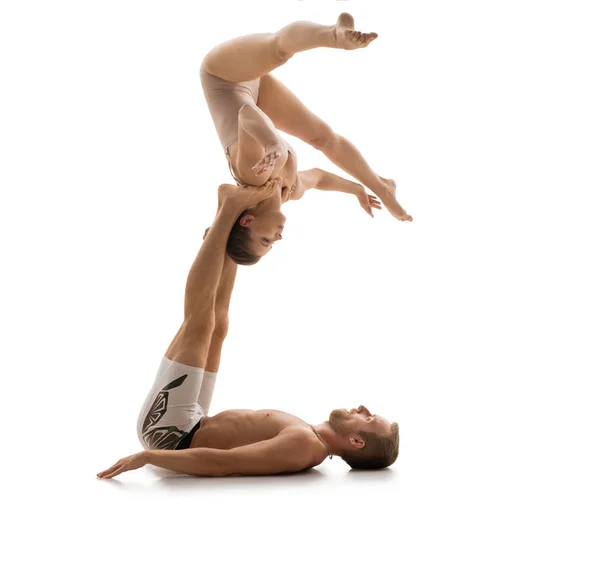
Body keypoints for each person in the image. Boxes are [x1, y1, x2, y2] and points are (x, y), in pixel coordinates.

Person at [97, 180, 399, 479]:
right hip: (193, 422)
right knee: (218, 325)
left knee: (200, 323)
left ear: (356, 442)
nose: (362, 407)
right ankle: (226, 217)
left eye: (368, 417)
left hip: (171, 434)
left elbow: (224, 463)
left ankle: (229, 209)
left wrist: (147, 457)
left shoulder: (305, 446)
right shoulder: (309, 436)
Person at [200, 13, 413, 265]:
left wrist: (271, 142)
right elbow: (320, 178)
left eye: (265, 240)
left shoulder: (252, 176)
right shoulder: (291, 190)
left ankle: (334, 35)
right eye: (273, 244)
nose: (277, 238)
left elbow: (246, 114)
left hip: (224, 77)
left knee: (277, 49)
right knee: (323, 138)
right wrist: (357, 189)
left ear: (247, 221)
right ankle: (382, 186)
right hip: (254, 94)